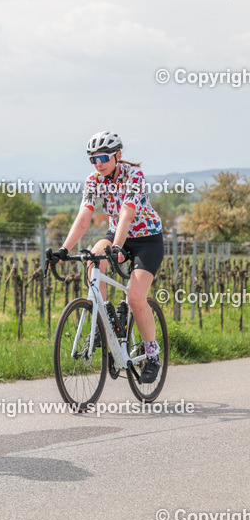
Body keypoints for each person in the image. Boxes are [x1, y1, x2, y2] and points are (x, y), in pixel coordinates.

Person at [47, 131, 164, 383]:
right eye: (93, 159)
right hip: (116, 234)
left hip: (146, 240)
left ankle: (152, 354)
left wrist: (119, 247)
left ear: (117, 155)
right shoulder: (93, 180)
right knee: (93, 257)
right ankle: (103, 319)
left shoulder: (134, 175)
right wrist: (64, 250)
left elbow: (127, 214)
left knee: (135, 297)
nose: (98, 163)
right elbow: (84, 217)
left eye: (103, 157)